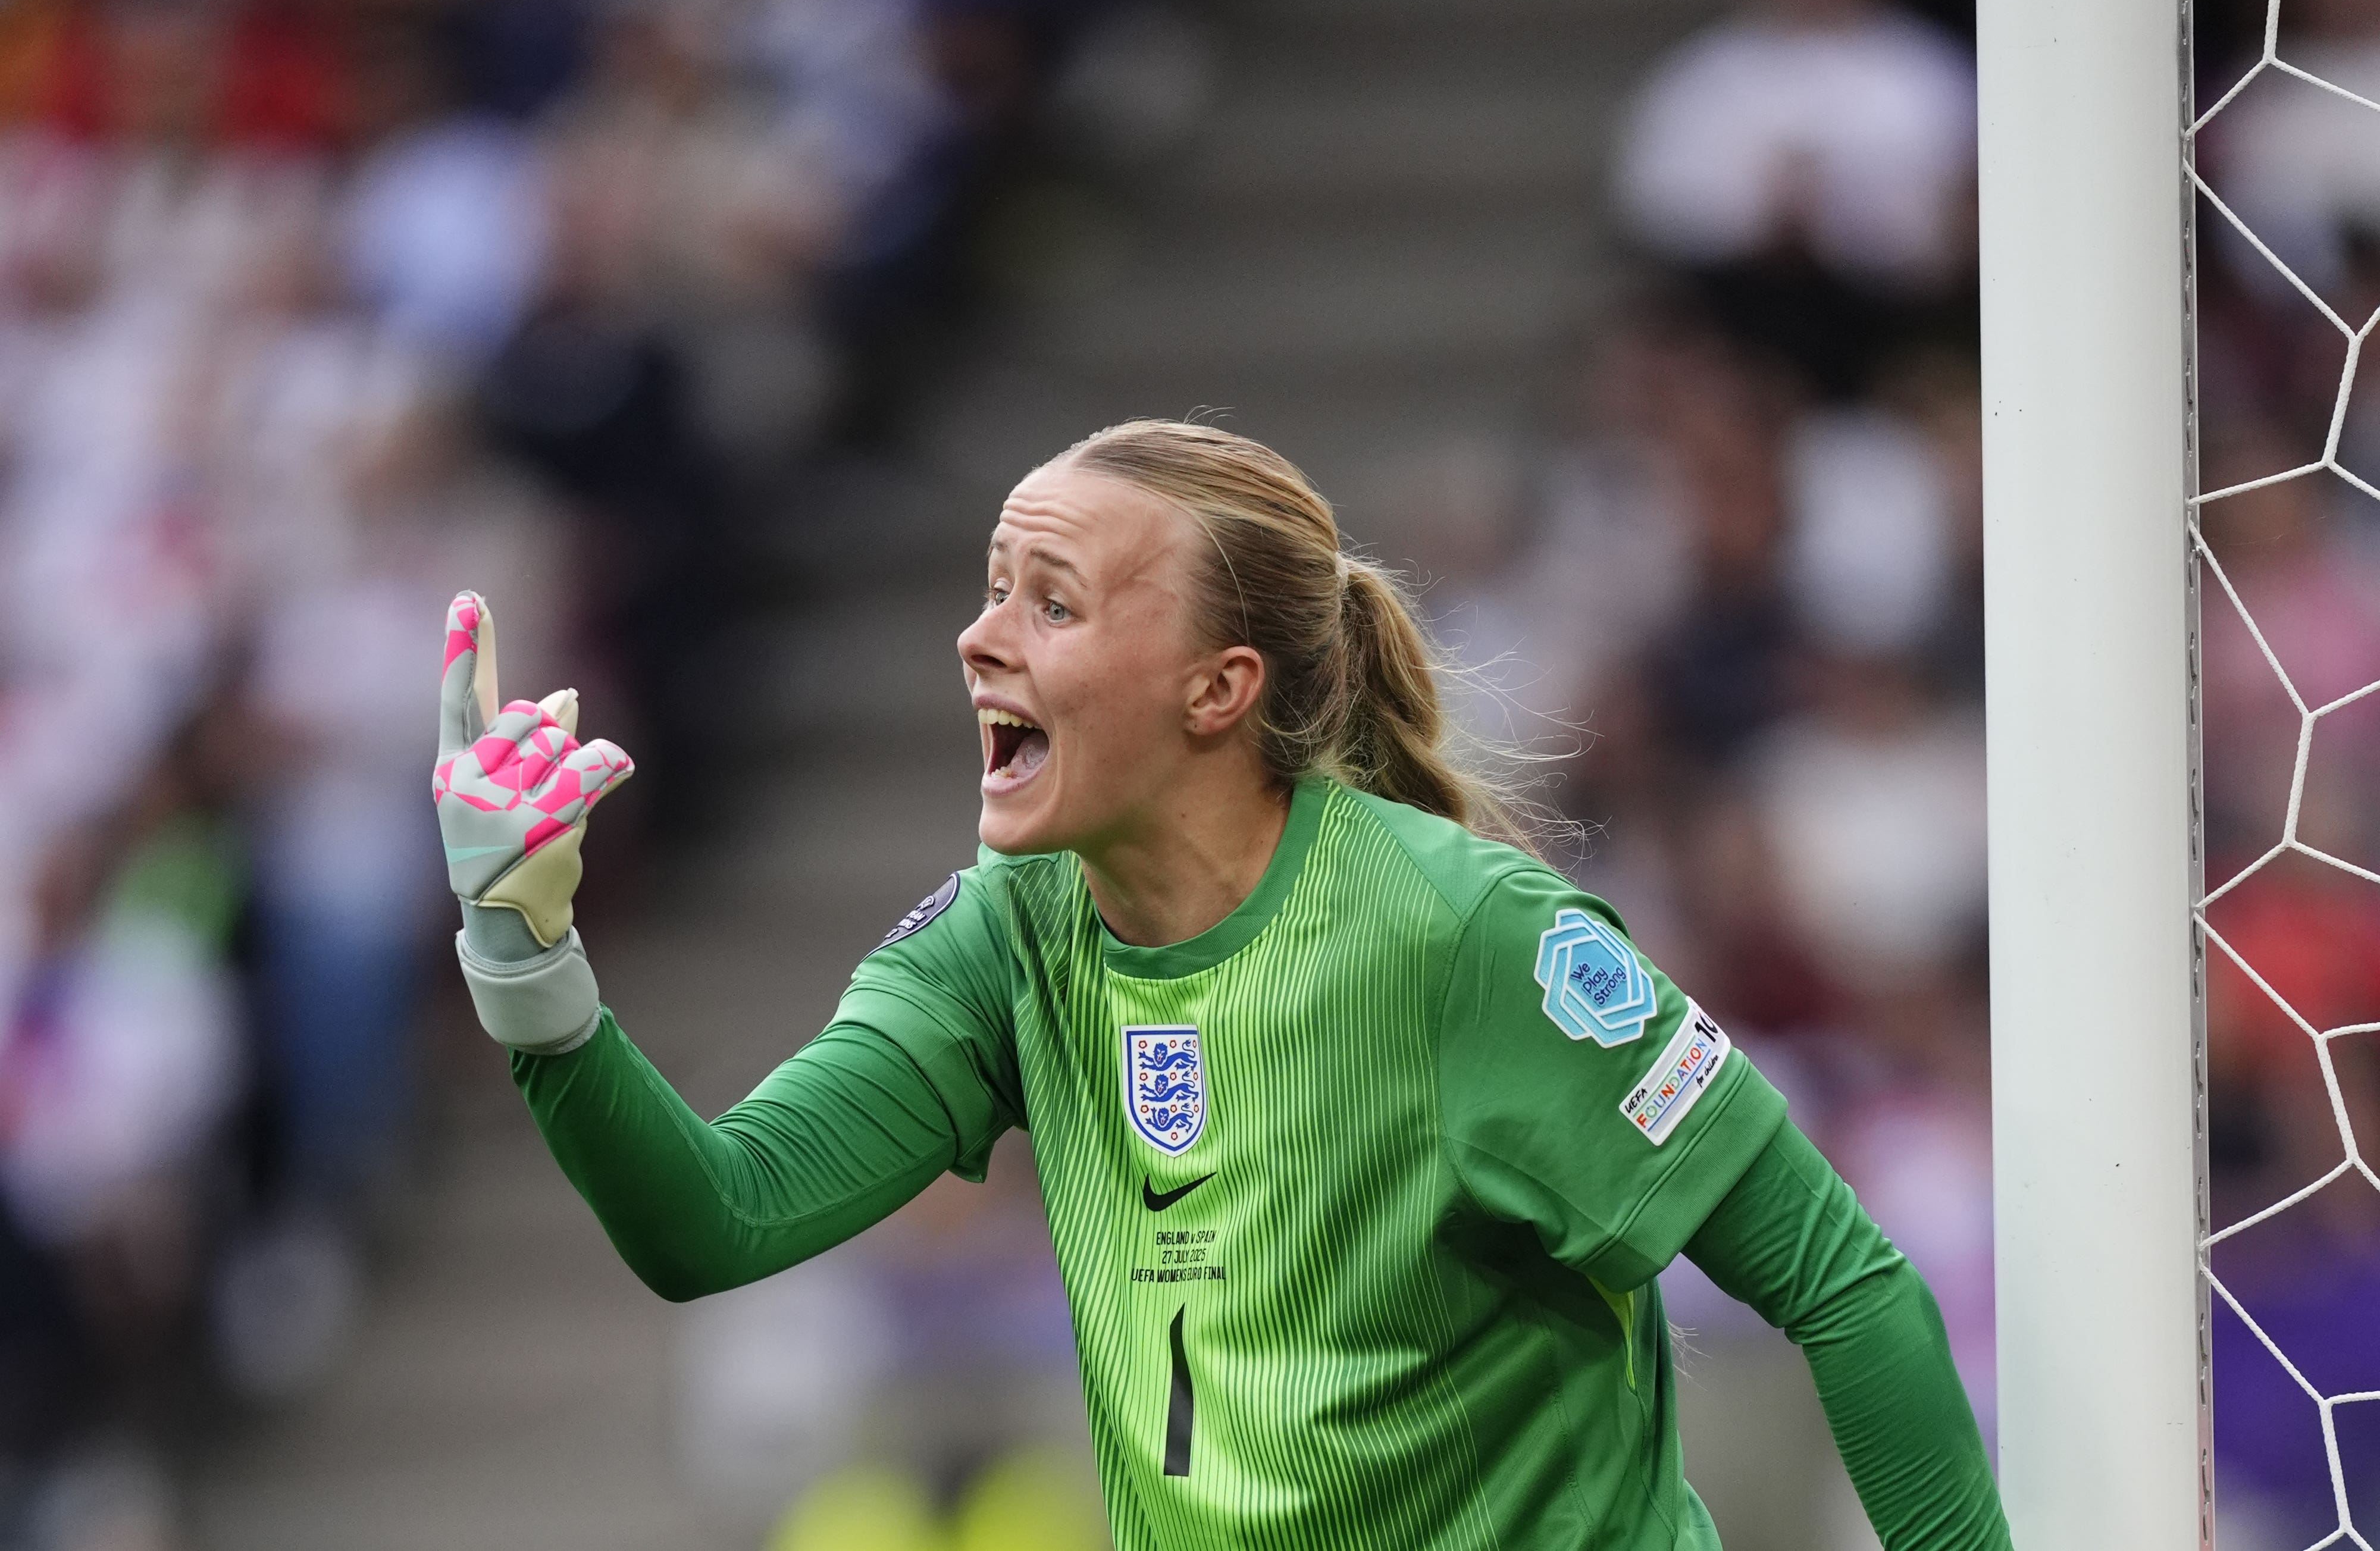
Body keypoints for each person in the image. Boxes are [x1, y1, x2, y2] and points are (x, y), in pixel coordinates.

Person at [433, 420, 2010, 1549]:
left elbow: (1845, 1282)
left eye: (1051, 599)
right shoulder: (1013, 933)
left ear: (1219, 686)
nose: (981, 638)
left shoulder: (1465, 938)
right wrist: (526, 947)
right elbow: (715, 1216)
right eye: (992, 588)